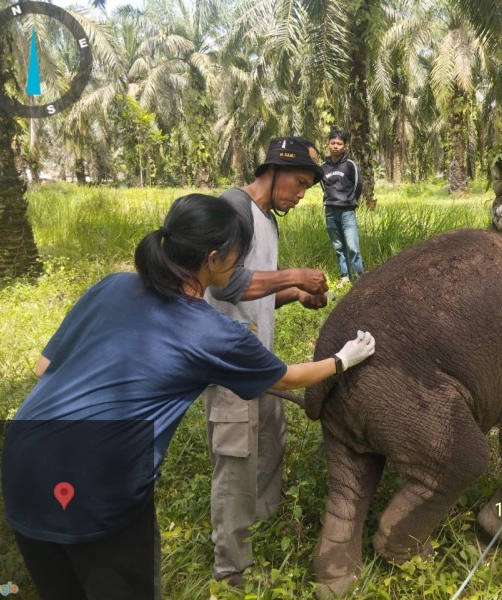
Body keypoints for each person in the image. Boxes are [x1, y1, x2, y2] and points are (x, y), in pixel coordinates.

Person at [0, 193, 375, 600]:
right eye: (239, 255)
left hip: (22, 458)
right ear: (213, 259)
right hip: (99, 481)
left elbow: (43, 367)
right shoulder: (213, 333)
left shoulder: (112, 285)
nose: (240, 265)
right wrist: (343, 359)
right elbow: (286, 378)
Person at [203, 136, 329, 586]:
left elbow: (253, 297)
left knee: (271, 440)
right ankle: (231, 569)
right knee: (236, 462)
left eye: (306, 189)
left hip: (260, 361)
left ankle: (265, 526)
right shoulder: (233, 208)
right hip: (229, 365)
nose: (300, 195)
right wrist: (294, 275)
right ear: (272, 171)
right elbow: (224, 285)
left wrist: (294, 294)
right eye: (298, 184)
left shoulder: (269, 223)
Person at [321, 129, 364, 283]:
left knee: (353, 246)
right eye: (333, 143)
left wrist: (349, 201)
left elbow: (358, 185)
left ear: (345, 146)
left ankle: (359, 278)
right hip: (330, 211)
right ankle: (344, 276)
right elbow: (323, 187)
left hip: (347, 211)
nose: (335, 146)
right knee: (338, 246)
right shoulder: (323, 167)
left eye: (339, 144)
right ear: (328, 144)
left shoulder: (350, 165)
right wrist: (330, 200)